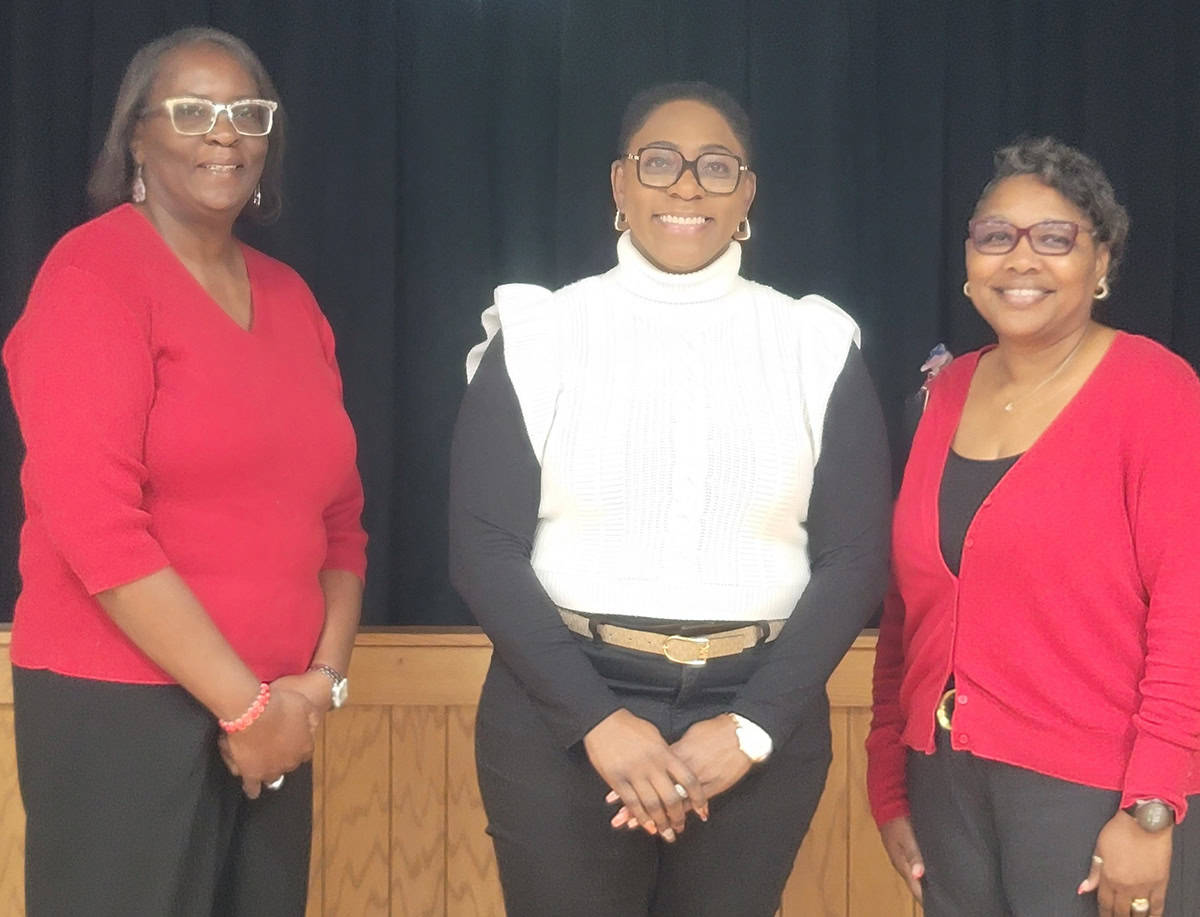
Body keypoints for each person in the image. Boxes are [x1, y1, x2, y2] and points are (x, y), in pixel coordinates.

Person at [449, 81, 890, 917]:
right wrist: (598, 723)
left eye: (716, 167)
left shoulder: (813, 342)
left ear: (747, 193)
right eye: (660, 163)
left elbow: (854, 558)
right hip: (561, 716)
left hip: (758, 718)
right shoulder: (540, 333)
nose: (687, 186)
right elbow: (483, 551)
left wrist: (753, 726)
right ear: (620, 184)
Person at [3, 27, 366, 916]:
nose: (226, 133)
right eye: (193, 110)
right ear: (136, 135)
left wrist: (317, 685)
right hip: (120, 712)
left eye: (248, 114)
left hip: (277, 716)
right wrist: (245, 707)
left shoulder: (292, 298)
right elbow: (98, 529)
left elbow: (342, 523)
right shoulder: (92, 275)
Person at [867, 137, 1200, 917]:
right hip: (944, 784)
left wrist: (1152, 804)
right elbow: (904, 609)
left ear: (1101, 260)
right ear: (970, 257)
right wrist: (890, 781)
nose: (1022, 259)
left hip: (1095, 792)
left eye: (1055, 238)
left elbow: (1190, 612)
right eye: (996, 236)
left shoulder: (1155, 391)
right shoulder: (941, 393)